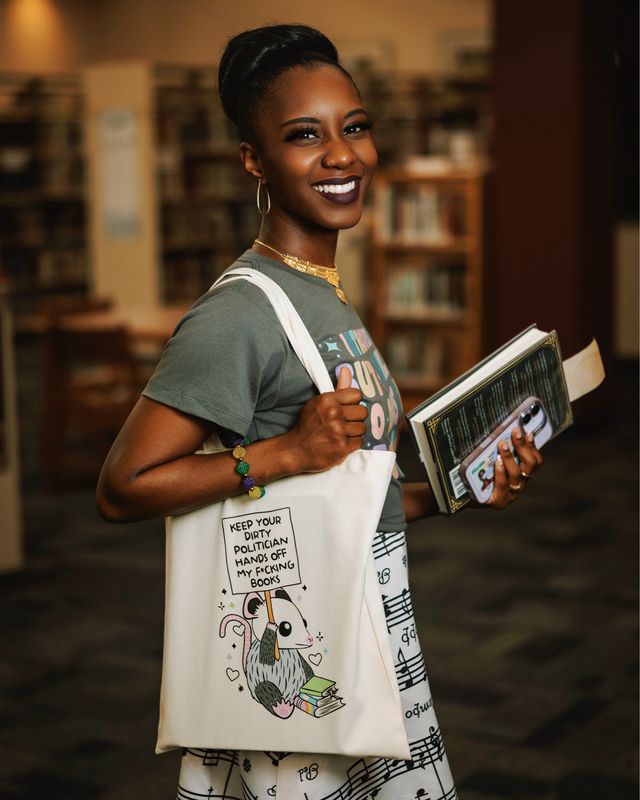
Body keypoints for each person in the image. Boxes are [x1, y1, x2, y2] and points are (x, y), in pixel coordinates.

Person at [97, 23, 543, 800]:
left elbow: (339, 500)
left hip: (365, 631)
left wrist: (455, 491)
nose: (343, 156)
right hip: (301, 659)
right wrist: (281, 455)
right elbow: (122, 486)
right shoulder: (238, 315)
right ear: (253, 161)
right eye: (305, 136)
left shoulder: (321, 294)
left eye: (355, 127)